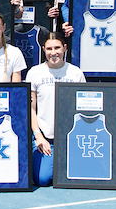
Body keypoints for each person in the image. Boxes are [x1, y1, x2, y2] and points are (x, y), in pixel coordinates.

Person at [26, 32, 85, 185]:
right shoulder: (35, 73)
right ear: (44, 49)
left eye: (57, 48)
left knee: (77, 176)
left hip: (70, 137)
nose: (53, 53)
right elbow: (31, 108)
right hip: (46, 137)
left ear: (65, 48)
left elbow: (83, 109)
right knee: (42, 179)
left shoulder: (76, 73)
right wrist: (38, 136)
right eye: (49, 49)